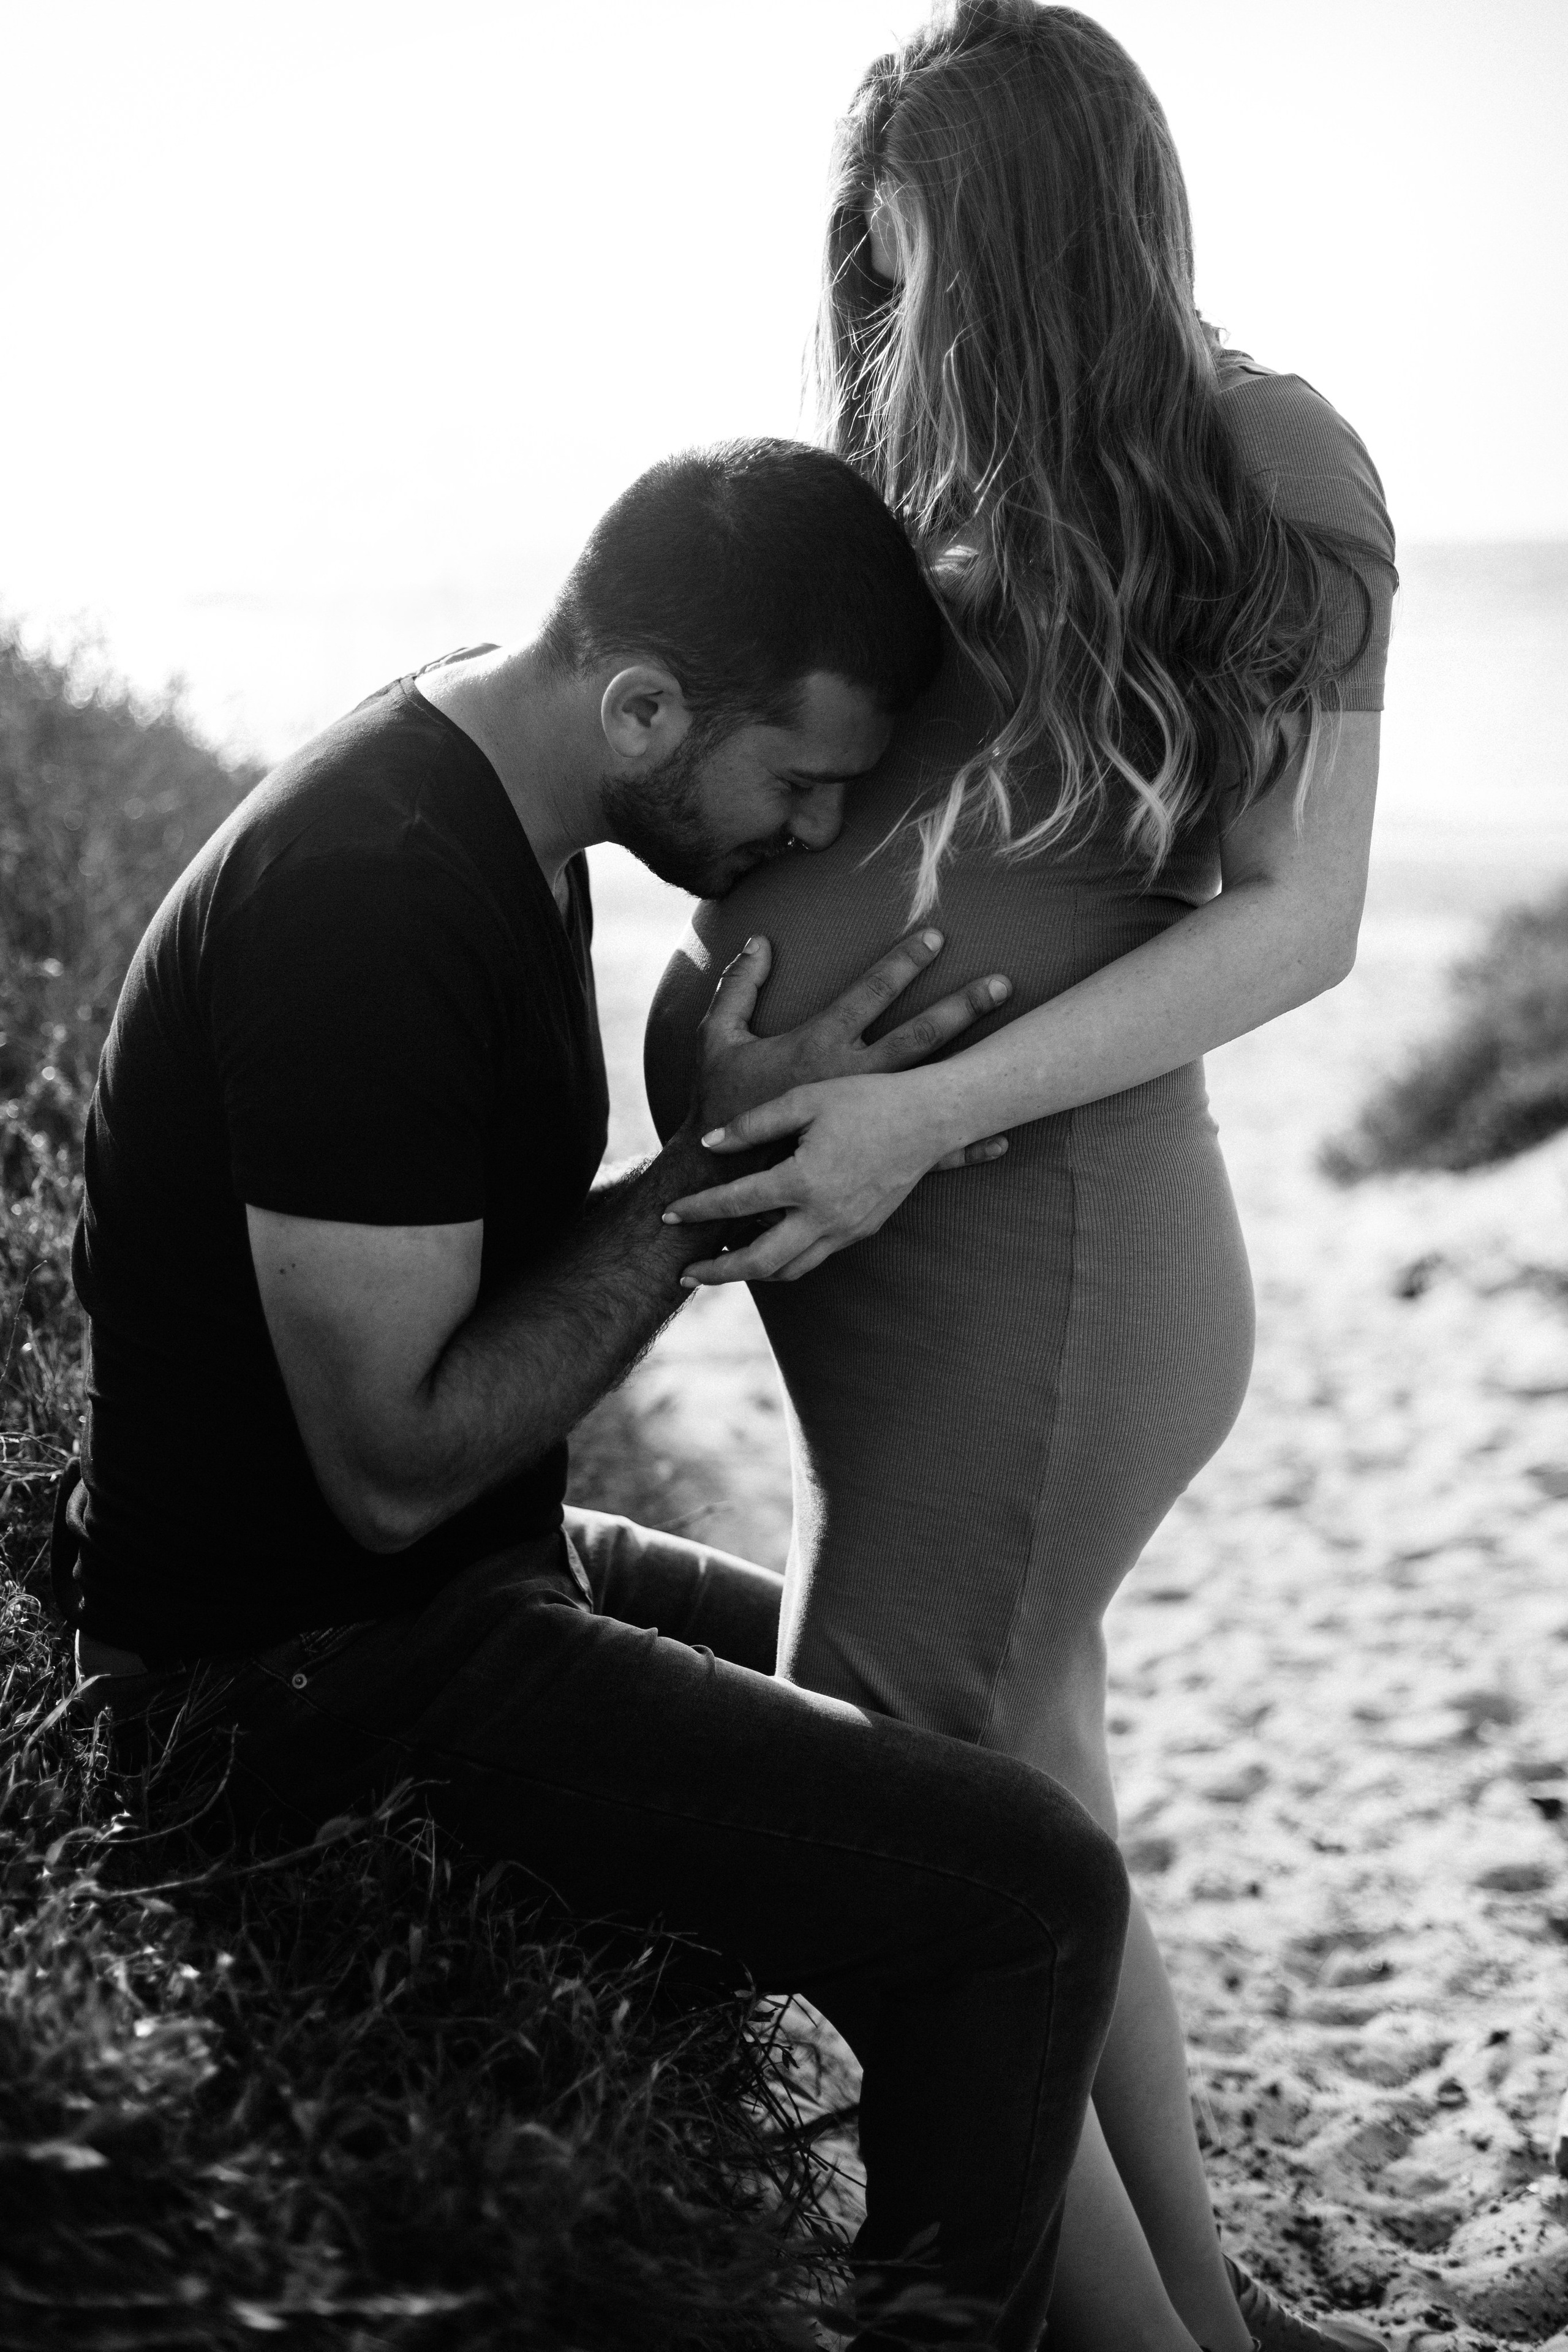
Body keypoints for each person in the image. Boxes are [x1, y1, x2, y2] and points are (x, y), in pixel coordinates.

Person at [58, 437, 1133, 2352]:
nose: (807, 833)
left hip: (448, 1576)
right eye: (798, 783)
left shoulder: (501, 797)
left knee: (893, 1709)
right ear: (641, 704)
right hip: (288, 1677)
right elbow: (392, 1470)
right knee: (1024, 1892)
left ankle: (1085, 2295)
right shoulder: (364, 900)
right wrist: (696, 1179)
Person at [643, 10, 1397, 2352]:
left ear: (1059, 239)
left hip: (1043, 1252)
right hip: (906, 1271)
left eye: (929, 255)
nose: (893, 308)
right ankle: (1208, 2315)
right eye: (870, 261)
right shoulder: (929, 468)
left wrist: (897, 1118)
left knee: (883, 1831)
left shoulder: (1257, 448)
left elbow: (1304, 916)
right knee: (1035, 1819)